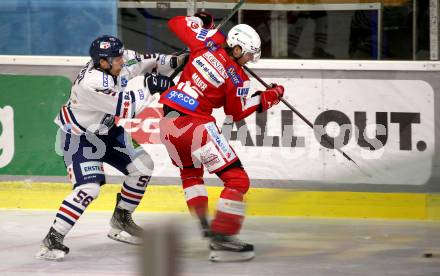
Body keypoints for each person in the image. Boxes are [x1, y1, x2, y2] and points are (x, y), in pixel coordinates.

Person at [35, 35, 184, 261]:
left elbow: (147, 60)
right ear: (102, 62)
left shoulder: (117, 61)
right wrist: (150, 85)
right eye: (116, 59)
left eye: (121, 56)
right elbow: (127, 108)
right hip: (80, 138)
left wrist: (175, 61)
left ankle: (121, 219)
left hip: (107, 131)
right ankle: (54, 236)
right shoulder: (91, 84)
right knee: (89, 189)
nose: (122, 61)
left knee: (143, 167)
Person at [158, 13, 285, 262]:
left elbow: (175, 22)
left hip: (167, 123)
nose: (249, 60)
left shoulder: (208, 40)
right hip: (196, 125)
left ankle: (205, 224)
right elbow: (236, 112)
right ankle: (223, 238)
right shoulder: (238, 77)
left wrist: (201, 23)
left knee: (190, 173)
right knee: (237, 180)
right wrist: (267, 97)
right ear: (237, 47)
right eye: (248, 54)